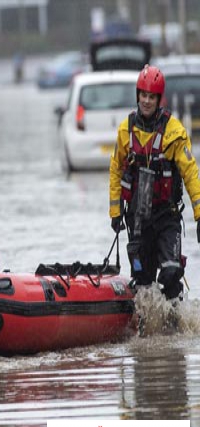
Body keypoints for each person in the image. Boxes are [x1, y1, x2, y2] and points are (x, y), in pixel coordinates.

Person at [109, 64, 200, 309]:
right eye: (143, 95)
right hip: (137, 219)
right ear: (137, 95)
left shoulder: (174, 132)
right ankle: (147, 335)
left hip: (166, 216)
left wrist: (199, 215)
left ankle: (176, 328)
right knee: (142, 282)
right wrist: (116, 213)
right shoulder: (125, 130)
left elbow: (191, 172)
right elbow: (116, 171)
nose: (146, 101)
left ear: (159, 99)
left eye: (152, 97)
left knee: (170, 274)